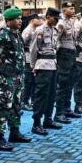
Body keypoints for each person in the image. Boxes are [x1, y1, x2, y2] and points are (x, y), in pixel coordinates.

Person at [0, 7, 32, 152]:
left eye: (20, 18)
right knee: (3, 107)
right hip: (6, 78)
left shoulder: (17, 35)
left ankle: (14, 132)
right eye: (16, 19)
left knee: (16, 106)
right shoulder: (2, 35)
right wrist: (0, 71)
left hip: (18, 76)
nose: (20, 21)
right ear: (8, 21)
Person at [29, 7, 61, 136]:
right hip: (42, 66)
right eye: (55, 18)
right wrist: (33, 66)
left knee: (51, 94)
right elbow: (33, 50)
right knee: (41, 95)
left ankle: (48, 119)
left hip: (52, 65)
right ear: (48, 17)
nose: (57, 20)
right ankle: (36, 124)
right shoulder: (40, 30)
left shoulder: (54, 30)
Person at [54, 2, 79, 124]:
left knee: (70, 82)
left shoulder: (71, 22)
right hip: (64, 55)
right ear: (64, 11)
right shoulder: (61, 23)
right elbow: (55, 40)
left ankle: (67, 109)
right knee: (62, 84)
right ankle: (59, 113)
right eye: (71, 9)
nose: (73, 10)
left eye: (74, 8)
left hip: (71, 54)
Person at [21, 14, 41, 111]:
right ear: (33, 20)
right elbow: (22, 44)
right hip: (28, 58)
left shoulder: (35, 30)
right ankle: (25, 102)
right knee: (28, 82)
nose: (40, 20)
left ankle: (33, 100)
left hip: (34, 58)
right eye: (38, 19)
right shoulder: (27, 31)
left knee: (34, 81)